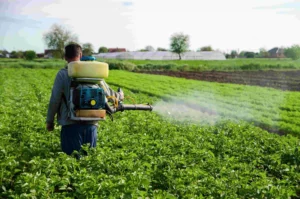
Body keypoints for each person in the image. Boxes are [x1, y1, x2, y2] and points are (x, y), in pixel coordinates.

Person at [46, 43, 123, 156]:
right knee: (88, 162)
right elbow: (108, 94)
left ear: (65, 57)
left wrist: (50, 121)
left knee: (71, 161)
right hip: (91, 124)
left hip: (70, 124)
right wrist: (120, 96)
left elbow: (55, 100)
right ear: (81, 55)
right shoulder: (93, 72)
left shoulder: (62, 74)